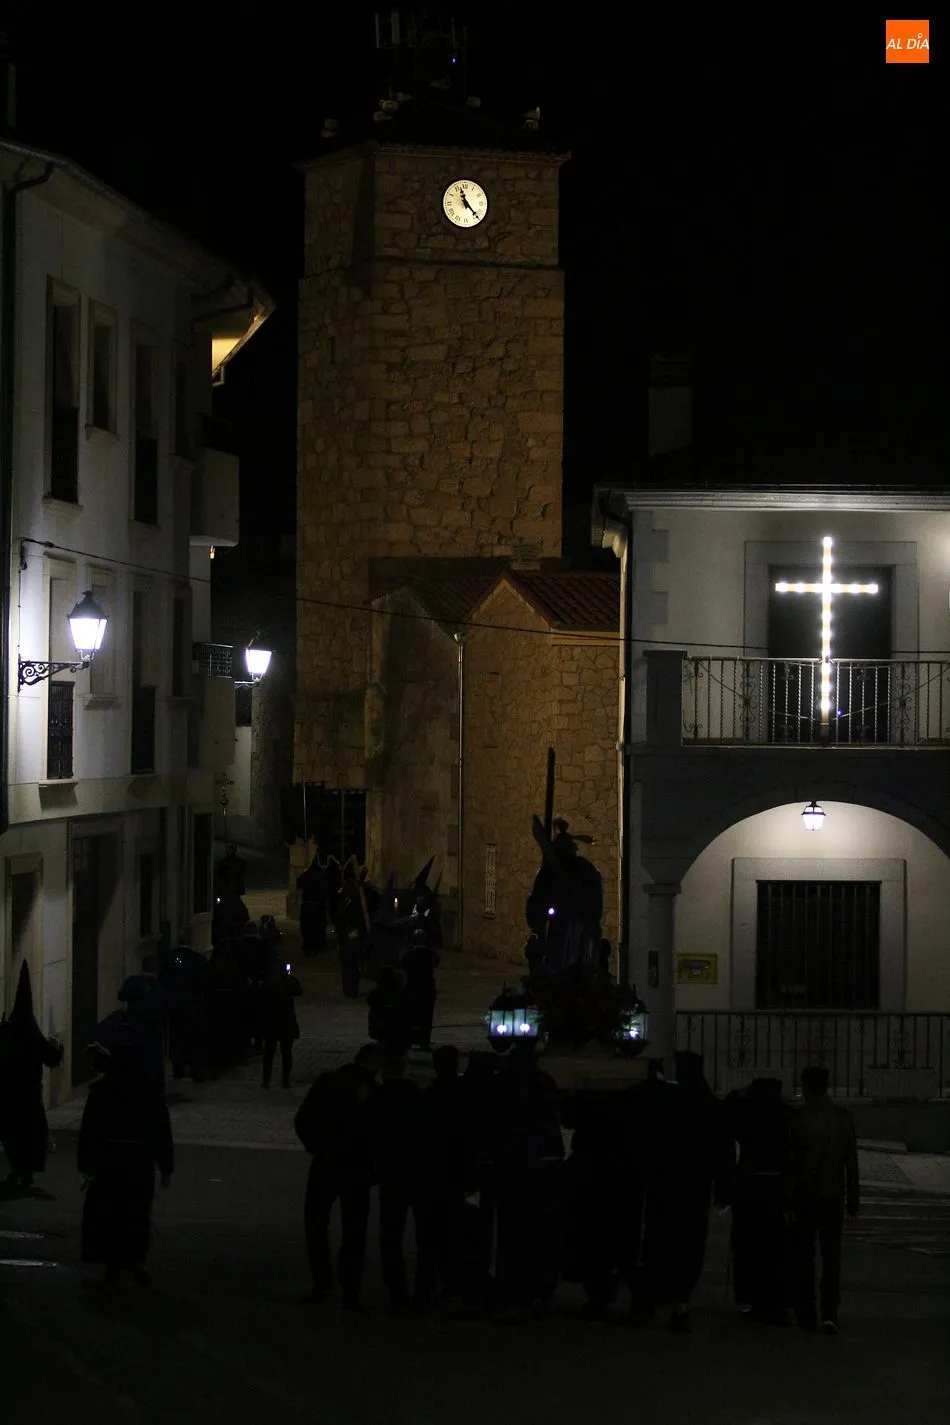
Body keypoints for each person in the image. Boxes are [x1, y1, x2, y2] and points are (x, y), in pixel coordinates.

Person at [632, 1051, 731, 1332]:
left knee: (659, 1241)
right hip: (696, 1188)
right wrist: (723, 1188)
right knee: (690, 1243)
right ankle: (681, 1300)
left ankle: (654, 1297)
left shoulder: (668, 1101)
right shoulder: (708, 1105)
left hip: (665, 1185)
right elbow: (722, 1151)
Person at [78, 1042, 174, 1285]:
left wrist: (88, 1163)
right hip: (139, 1158)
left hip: (110, 1157)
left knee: (110, 1210)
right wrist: (165, 1164)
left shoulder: (102, 1090)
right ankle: (135, 1260)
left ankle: (113, 1262)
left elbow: (90, 1129)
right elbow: (160, 1128)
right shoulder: (148, 1089)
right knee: (137, 1211)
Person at [295, 1044, 382, 1307]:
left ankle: (322, 1283)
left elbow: (303, 1119)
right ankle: (350, 1288)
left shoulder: (329, 1082)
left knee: (316, 1222)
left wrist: (317, 1146)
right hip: (357, 1167)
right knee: (354, 1228)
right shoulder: (374, 1093)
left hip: (327, 1161)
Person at [488, 1040, 565, 1318]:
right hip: (543, 1164)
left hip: (514, 1165)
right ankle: (537, 1290)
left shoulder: (504, 1084)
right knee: (540, 1233)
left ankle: (512, 1291)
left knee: (512, 1232)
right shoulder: (544, 1083)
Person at [789, 1064, 859, 1334]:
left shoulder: (800, 1119)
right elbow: (850, 1162)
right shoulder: (843, 1118)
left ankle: (806, 1311)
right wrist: (853, 1198)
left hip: (806, 1195)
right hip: (833, 1194)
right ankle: (830, 1313)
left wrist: (789, 1199)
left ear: (806, 1088)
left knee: (804, 1255)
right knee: (832, 1256)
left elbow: (794, 1163)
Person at [722, 1078, 794, 1321]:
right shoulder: (786, 1116)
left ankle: (752, 1298)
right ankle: (776, 1299)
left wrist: (739, 1094)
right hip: (776, 1185)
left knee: (748, 1245)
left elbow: (726, 1112)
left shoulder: (747, 1115)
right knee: (775, 1246)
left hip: (750, 1185)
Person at [420, 1046, 481, 1309]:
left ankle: (430, 1287)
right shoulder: (465, 1094)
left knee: (432, 1236)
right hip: (457, 1174)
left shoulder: (431, 1095)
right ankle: (456, 1285)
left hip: (435, 1173)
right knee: (456, 1233)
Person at [374, 1057, 434, 1311]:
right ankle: (423, 1290)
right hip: (420, 1172)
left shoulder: (379, 1098)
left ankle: (397, 1291)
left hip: (392, 1172)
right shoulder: (419, 1097)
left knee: (391, 1233)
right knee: (426, 1235)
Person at [0, 962, 63, 1192]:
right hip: (28, 1094)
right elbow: (52, 1058)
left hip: (8, 1094)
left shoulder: (7, 1033)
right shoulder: (33, 1035)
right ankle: (25, 1172)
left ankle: (19, 1170)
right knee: (28, 1134)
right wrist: (57, 1046)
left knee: (12, 1134)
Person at [260, 960, 302, 1089]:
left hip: (272, 1020)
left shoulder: (268, 982)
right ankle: (285, 1080)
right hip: (285, 1020)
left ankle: (266, 1080)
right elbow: (298, 991)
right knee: (286, 1053)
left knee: (269, 1053)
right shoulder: (288, 981)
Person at [401, 930, 440, 1050]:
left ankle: (411, 1039)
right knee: (426, 1016)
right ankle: (424, 1041)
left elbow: (404, 967)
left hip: (413, 987)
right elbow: (435, 964)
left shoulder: (407, 955)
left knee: (411, 1015)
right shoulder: (432, 955)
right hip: (427, 987)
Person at [366, 967, 412, 1057]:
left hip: (384, 1025)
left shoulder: (377, 992)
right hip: (395, 1025)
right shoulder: (400, 992)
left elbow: (371, 1004)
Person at [296, 851, 328, 957]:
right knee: (317, 927)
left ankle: (309, 946)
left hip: (307, 905)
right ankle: (316, 946)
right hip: (317, 906)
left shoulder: (305, 875)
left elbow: (299, 886)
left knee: (307, 928)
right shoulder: (322, 876)